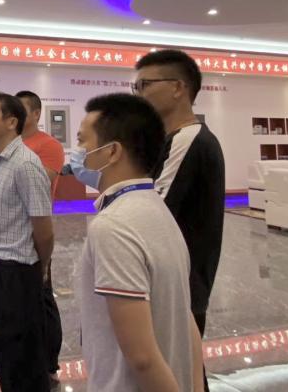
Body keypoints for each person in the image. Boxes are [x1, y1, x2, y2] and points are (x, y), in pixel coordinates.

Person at [72, 93, 204, 392]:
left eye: (82, 141)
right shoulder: (158, 210)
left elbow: (142, 359)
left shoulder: (114, 226)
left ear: (112, 152)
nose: (77, 153)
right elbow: (187, 321)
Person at [135, 49, 225, 391]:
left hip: (180, 286)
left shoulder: (189, 139)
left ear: (178, 87)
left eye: (145, 84)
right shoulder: (171, 140)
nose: (139, 93)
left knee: (178, 376)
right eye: (136, 86)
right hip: (170, 282)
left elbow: (150, 210)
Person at [0, 92, 54, 392]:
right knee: (4, 353)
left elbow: (44, 229)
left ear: (11, 122)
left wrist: (41, 267)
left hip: (17, 274)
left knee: (23, 360)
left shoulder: (25, 164)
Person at [17, 91, 65, 389]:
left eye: (22, 109)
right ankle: (13, 353)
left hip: (33, 230)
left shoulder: (48, 146)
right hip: (8, 234)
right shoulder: (10, 144)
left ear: (36, 113)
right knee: (13, 299)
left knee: (41, 296)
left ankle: (48, 364)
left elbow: (36, 184)